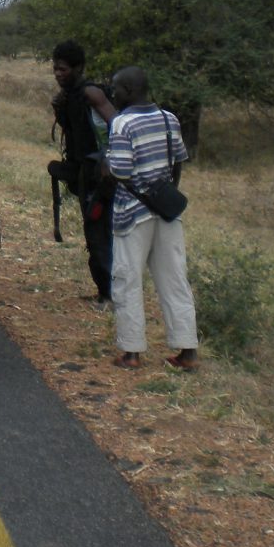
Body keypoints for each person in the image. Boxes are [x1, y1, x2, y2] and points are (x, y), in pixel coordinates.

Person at [104, 66, 198, 372]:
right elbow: (177, 162)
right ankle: (187, 353)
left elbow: (120, 171)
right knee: (175, 280)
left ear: (129, 91)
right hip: (166, 211)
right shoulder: (168, 118)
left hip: (132, 213)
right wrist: (165, 194)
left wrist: (103, 167)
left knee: (127, 280)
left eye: (116, 89)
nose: (112, 94)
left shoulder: (122, 122)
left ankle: (131, 353)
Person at [50, 40, 118, 311]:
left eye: (63, 69)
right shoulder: (69, 96)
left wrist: (107, 162)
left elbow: (118, 124)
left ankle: (110, 296)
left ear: (78, 67)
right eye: (55, 69)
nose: (58, 74)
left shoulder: (91, 93)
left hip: (100, 177)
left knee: (98, 232)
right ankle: (105, 291)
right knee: (94, 233)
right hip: (84, 174)